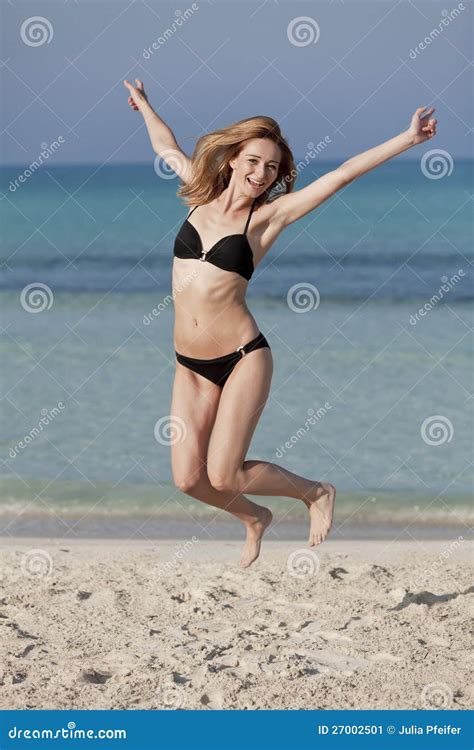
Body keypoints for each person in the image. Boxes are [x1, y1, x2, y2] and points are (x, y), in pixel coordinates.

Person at [123, 78, 437, 568]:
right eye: (253, 161)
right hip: (189, 365)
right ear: (232, 159)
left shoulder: (267, 219)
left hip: (244, 357)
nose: (261, 173)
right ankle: (254, 518)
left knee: (224, 475)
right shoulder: (196, 196)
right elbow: (166, 145)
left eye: (271, 168)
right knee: (188, 480)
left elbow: (342, 175)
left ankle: (315, 491)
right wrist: (144, 105)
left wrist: (407, 139)